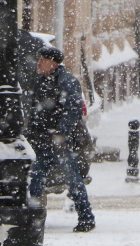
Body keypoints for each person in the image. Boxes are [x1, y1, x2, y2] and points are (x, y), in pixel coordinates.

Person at [27, 45, 95, 232]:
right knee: (37, 178)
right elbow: (35, 111)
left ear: (54, 63)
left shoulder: (66, 82)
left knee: (72, 179)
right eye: (39, 59)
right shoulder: (40, 81)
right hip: (43, 141)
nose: (39, 63)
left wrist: (61, 134)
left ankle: (86, 217)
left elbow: (72, 111)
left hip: (59, 143)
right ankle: (35, 219)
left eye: (43, 60)